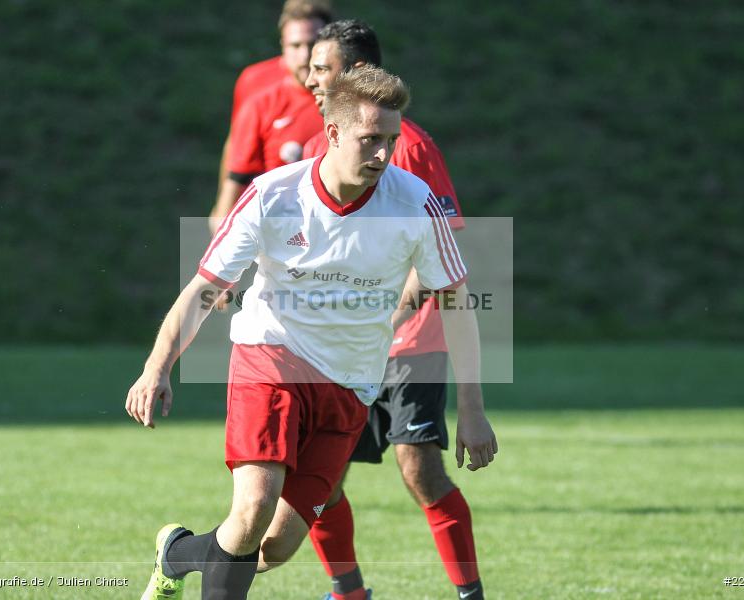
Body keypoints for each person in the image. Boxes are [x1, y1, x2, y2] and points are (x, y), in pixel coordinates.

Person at [127, 65, 497, 600]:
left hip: (350, 384)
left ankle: (177, 553)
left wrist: (473, 407)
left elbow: (456, 303)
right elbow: (204, 288)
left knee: (273, 547)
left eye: (391, 140)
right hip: (269, 358)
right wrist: (156, 367)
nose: (383, 155)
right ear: (332, 134)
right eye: (371, 140)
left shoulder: (414, 202)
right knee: (253, 507)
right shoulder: (273, 194)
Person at [301, 20, 486, 600]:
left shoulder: (410, 146)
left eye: (321, 68)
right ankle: (348, 592)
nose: (308, 79)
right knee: (320, 481)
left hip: (410, 345)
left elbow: (441, 249)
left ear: (354, 74)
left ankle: (470, 594)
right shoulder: (319, 145)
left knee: (421, 472)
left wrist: (384, 315)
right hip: (341, 349)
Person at [209, 1, 332, 234]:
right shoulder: (257, 84)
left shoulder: (349, 94)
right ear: (284, 43)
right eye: (296, 45)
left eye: (313, 43)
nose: (305, 55)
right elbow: (237, 148)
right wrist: (222, 210)